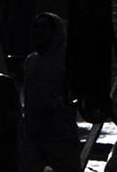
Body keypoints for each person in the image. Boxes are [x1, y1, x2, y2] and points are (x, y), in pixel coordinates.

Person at [18, 11, 81, 172]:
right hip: (34, 134)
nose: (38, 33)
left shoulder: (67, 61)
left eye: (44, 28)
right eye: (36, 28)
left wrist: (56, 104)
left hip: (60, 133)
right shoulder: (31, 62)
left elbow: (75, 91)